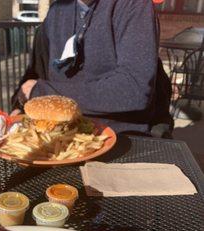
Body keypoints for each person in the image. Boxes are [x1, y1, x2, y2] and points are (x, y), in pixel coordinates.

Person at [11, 0, 173, 137]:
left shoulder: (134, 6)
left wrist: (44, 92)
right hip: (58, 134)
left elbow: (134, 89)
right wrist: (20, 107)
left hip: (120, 138)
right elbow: (35, 75)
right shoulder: (56, 11)